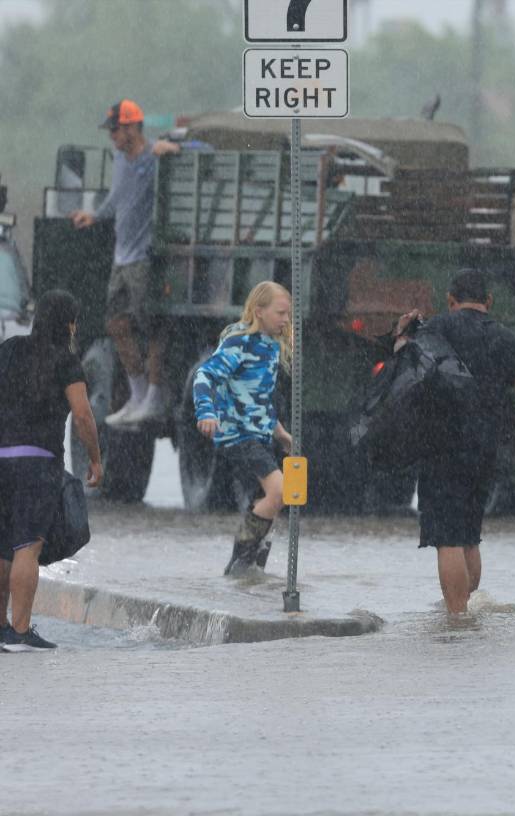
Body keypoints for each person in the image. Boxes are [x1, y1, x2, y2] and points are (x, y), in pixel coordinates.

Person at [394, 269, 515, 614]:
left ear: (450, 301)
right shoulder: (508, 340)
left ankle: (457, 620)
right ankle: (469, 611)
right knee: (469, 534)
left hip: (439, 444)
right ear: (489, 302)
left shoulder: (434, 331)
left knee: (446, 537)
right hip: (484, 446)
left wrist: (402, 335)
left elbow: (401, 372)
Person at [0, 290, 103, 652]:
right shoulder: (65, 361)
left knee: (3, 548)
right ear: (69, 324)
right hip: (37, 461)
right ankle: (20, 631)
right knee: (27, 547)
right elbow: (83, 415)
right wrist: (95, 457)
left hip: (1, 459)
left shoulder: (9, 349)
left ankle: (1, 629)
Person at [69, 98, 181, 427]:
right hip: (122, 256)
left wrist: (175, 146)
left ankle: (155, 396)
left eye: (116, 130)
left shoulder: (153, 156)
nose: (112, 137)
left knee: (151, 326)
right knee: (116, 324)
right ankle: (138, 393)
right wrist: (95, 215)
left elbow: (198, 146)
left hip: (143, 258)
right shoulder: (119, 159)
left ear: (132, 127)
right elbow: (117, 199)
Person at [193, 281, 294, 576]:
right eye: (280, 313)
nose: (286, 320)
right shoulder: (239, 342)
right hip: (237, 434)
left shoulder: (272, 346)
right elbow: (204, 375)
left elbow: (258, 398)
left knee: (267, 501)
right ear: (259, 311)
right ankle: (240, 564)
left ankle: (253, 571)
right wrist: (206, 412)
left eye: (288, 314)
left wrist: (281, 433)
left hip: (260, 434)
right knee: (279, 491)